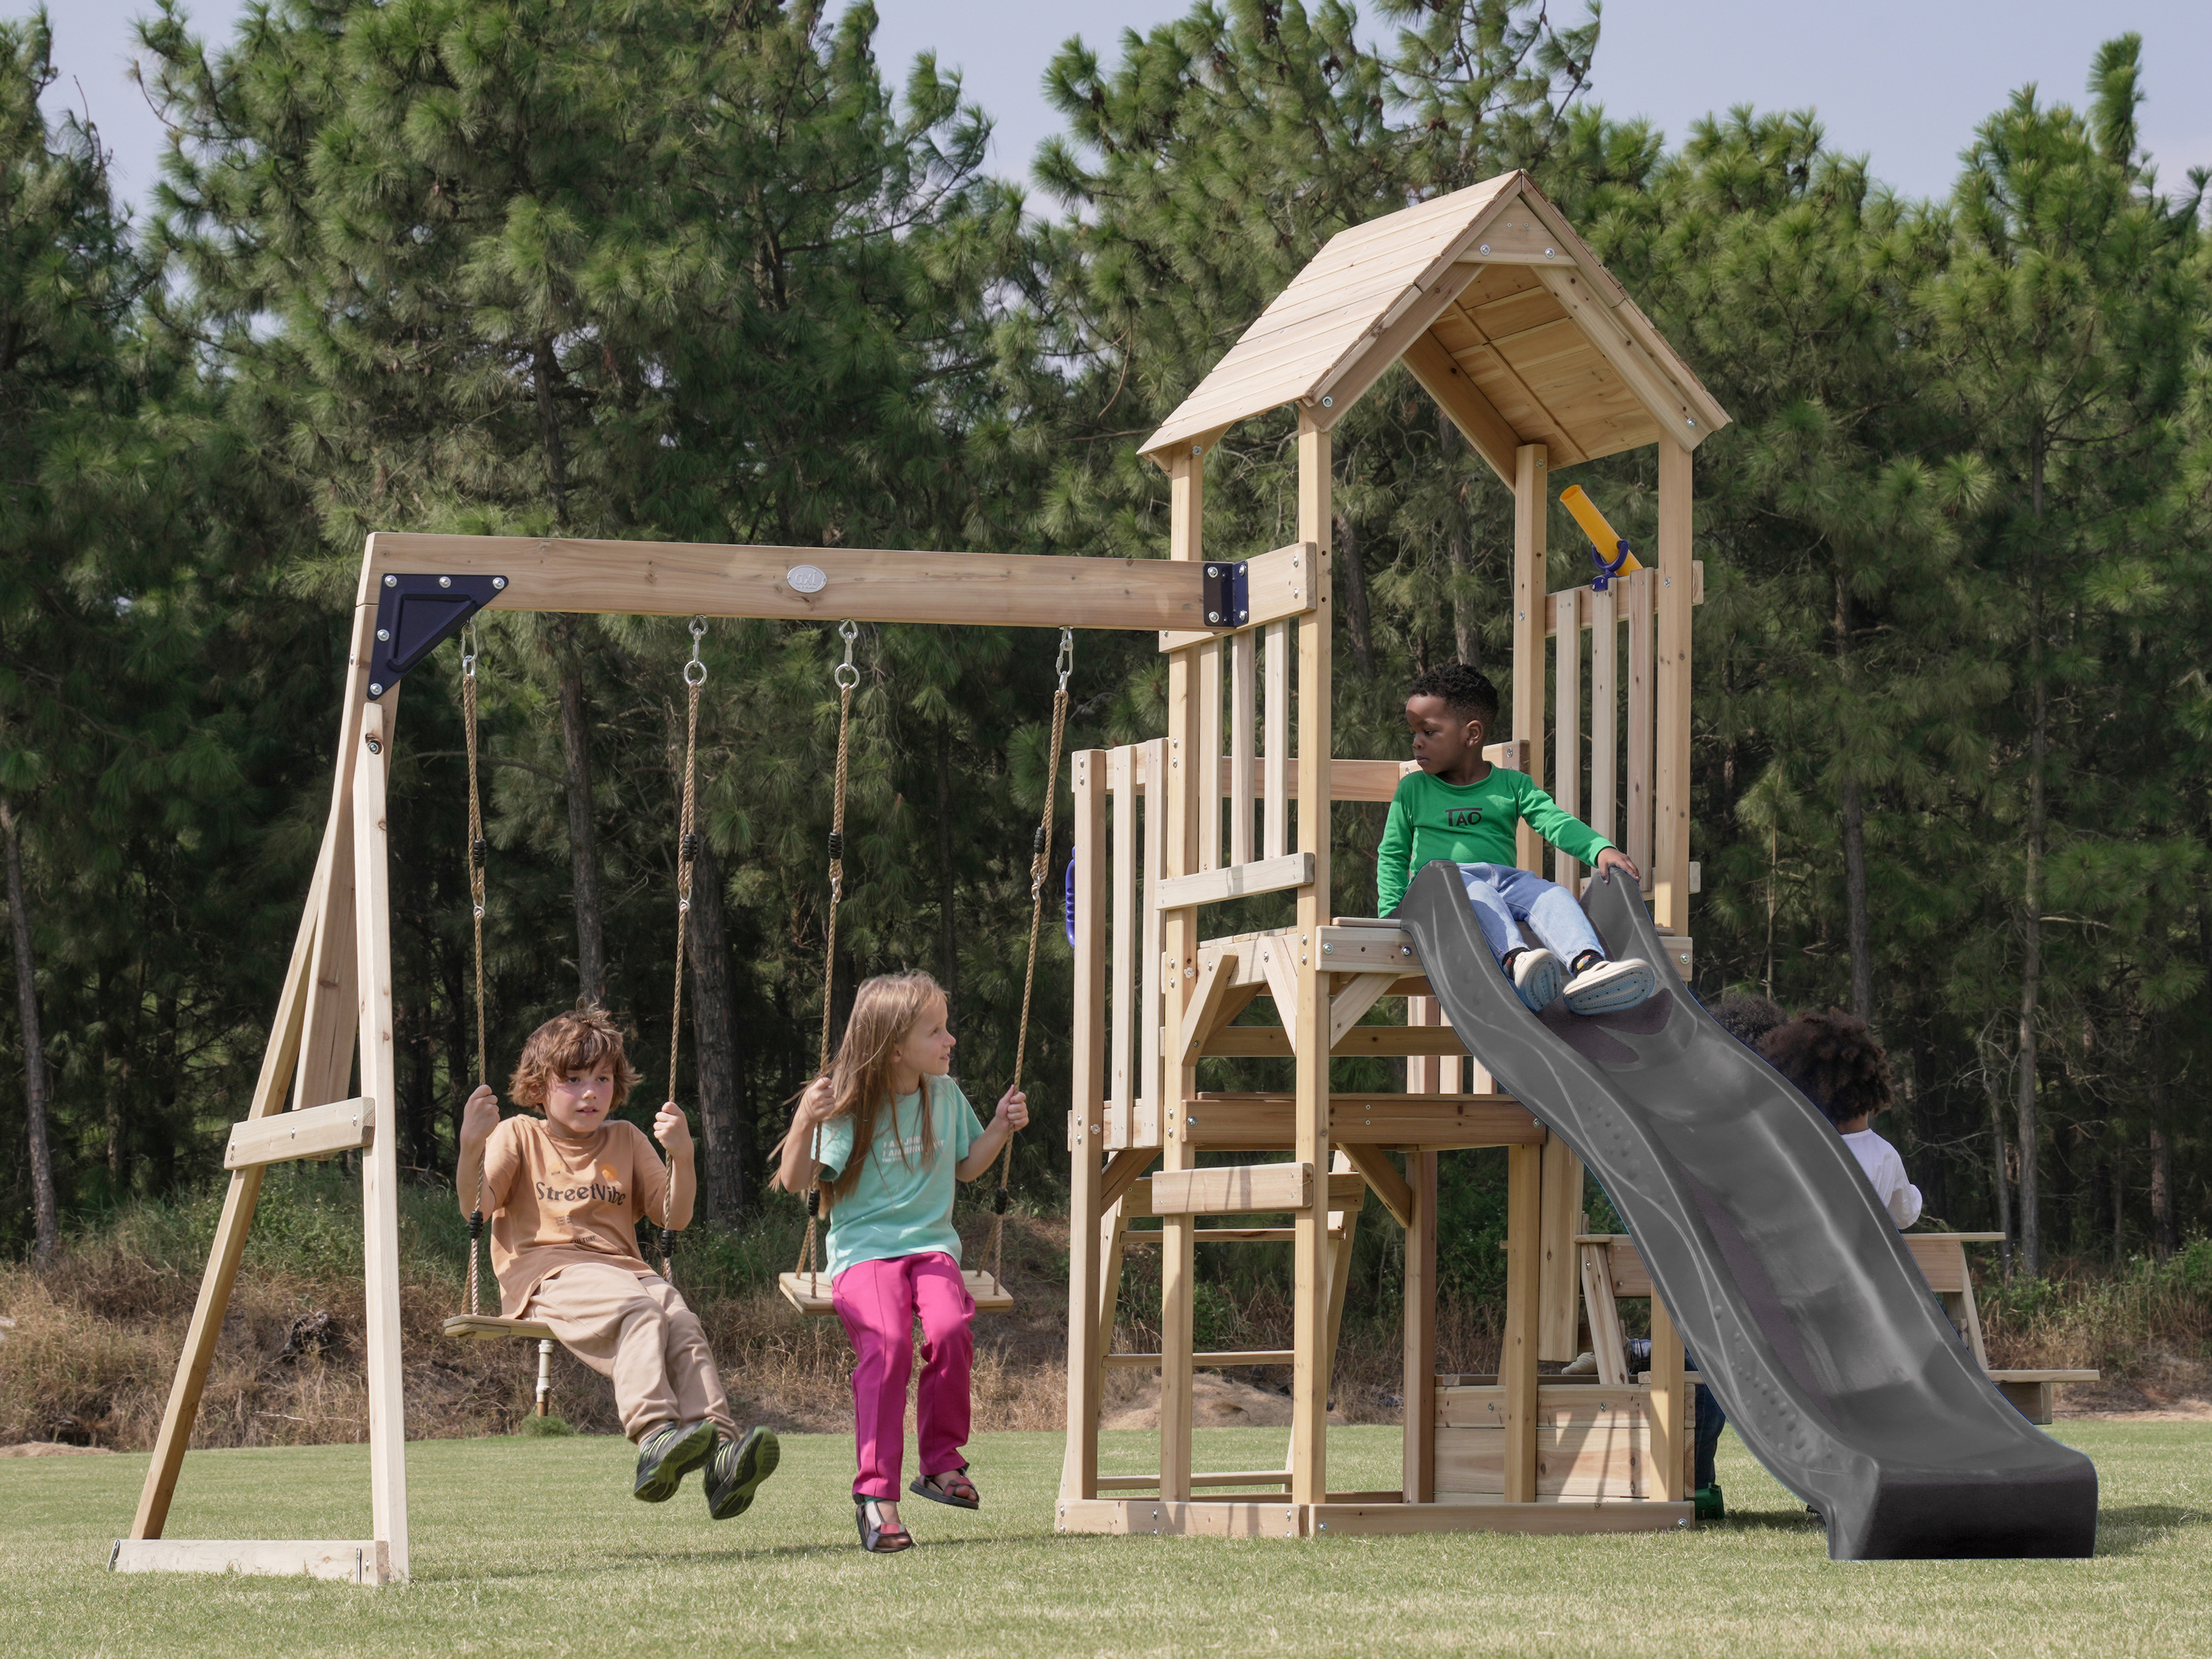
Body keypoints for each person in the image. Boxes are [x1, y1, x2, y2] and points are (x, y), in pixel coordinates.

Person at [457, 1005, 779, 1519]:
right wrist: (472, 1145)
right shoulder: (518, 1134)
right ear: (540, 1087)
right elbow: (477, 1206)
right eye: (574, 1079)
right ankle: (655, 1436)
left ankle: (720, 1452)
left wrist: (684, 1155)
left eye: (602, 1079)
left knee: (682, 1322)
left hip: (628, 1272)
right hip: (549, 1272)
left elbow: (674, 1216)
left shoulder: (626, 1138)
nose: (591, 1091)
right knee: (641, 1310)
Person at [774, 971, 1030, 1554]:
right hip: (863, 1252)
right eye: (935, 1030)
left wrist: (997, 1127)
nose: (950, 1040)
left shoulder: (944, 1095)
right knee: (887, 1347)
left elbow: (967, 1167)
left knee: (948, 1327)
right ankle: (875, 1497)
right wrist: (805, 1121)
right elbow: (795, 1181)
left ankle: (940, 1463)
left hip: (931, 1247)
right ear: (894, 1046)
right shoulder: (851, 1106)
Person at [1377, 663, 1655, 1014]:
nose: (1416, 741)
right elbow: (1393, 854)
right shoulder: (1413, 789)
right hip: (1441, 890)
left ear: (1471, 734)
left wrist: (1599, 849)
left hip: (1502, 882)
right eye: (1414, 731)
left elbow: (1555, 822)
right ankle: (1517, 961)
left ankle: (1588, 966)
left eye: (1429, 731)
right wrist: (1390, 912)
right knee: (1472, 890)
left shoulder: (1512, 786)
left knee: (1551, 893)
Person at [1760, 1009, 1923, 1228]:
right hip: (1861, 1261)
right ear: (1872, 1083)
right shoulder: (1885, 1155)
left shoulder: (1797, 1152)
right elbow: (1904, 1216)